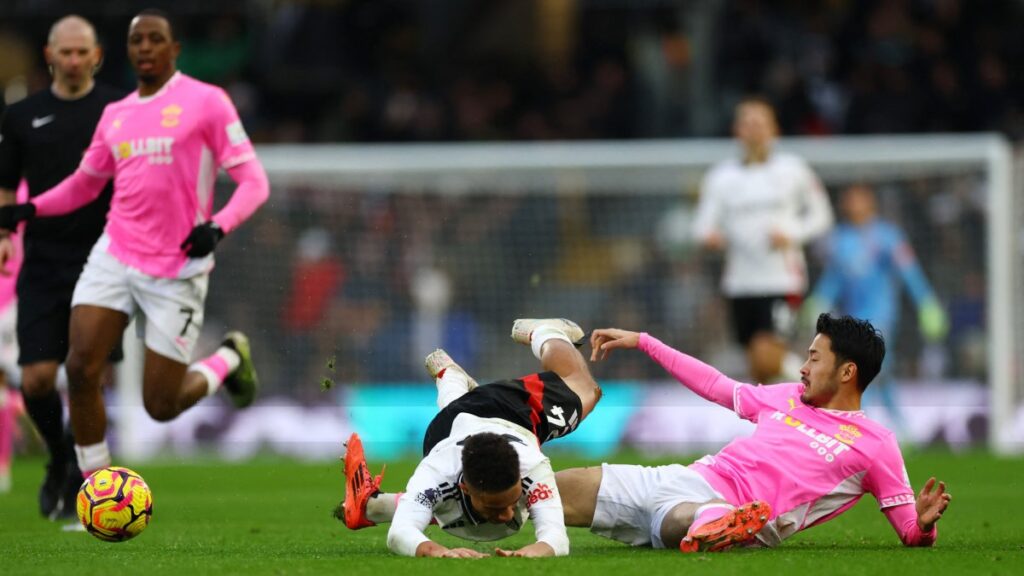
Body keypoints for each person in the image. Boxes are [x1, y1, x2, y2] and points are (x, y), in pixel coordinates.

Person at [0, 9, 270, 479]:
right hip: (115, 253)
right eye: (136, 40)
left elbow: (254, 182)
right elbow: (86, 183)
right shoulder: (117, 114)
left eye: (155, 39)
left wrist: (218, 226)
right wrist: (31, 208)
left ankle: (229, 357)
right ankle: (97, 488)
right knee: (81, 367)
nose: (145, 47)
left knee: (161, 404)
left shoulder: (207, 102)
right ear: (127, 51)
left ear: (174, 49)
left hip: (179, 266)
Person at [552, 314, 951, 553]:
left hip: (746, 515)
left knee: (685, 519)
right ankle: (489, 516)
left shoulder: (875, 444)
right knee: (551, 488)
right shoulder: (788, 396)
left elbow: (911, 533)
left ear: (847, 372)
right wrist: (644, 342)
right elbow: (715, 385)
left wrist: (925, 525)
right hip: (688, 477)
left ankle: (719, 526)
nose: (803, 368)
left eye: (813, 358)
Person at [339, 318, 603, 558]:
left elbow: (556, 540)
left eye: (511, 501)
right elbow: (399, 534)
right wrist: (439, 552)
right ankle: (535, 337)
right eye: (496, 507)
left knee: (586, 389)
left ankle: (540, 334)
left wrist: (532, 552)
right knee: (582, 388)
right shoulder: (436, 470)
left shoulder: (532, 467)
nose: (507, 515)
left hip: (510, 416)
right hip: (458, 426)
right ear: (465, 487)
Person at [0, 15, 125, 519]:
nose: (73, 60)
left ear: (96, 56)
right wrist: (5, 234)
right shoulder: (21, 116)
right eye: (64, 52)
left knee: (90, 375)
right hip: (45, 262)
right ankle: (58, 456)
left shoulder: (118, 110)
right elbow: (7, 183)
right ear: (50, 55)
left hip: (108, 260)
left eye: (82, 52)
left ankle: (80, 472)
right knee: (35, 380)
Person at [693, 96, 833, 383]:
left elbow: (822, 216)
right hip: (739, 283)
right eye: (747, 122)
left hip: (782, 280)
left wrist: (793, 233)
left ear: (774, 130)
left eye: (761, 122)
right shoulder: (721, 178)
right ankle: (776, 421)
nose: (754, 129)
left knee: (766, 354)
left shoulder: (793, 170)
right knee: (758, 369)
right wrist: (710, 237)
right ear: (737, 131)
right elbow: (701, 225)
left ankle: (820, 383)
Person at [804, 183, 948, 433]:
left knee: (861, 373)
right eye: (849, 200)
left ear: (870, 202)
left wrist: (927, 303)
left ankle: (860, 430)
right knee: (880, 375)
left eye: (858, 198)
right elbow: (834, 279)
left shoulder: (888, 237)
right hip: (852, 320)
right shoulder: (841, 240)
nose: (852, 204)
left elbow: (909, 274)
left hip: (882, 316)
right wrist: (818, 300)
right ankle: (902, 430)